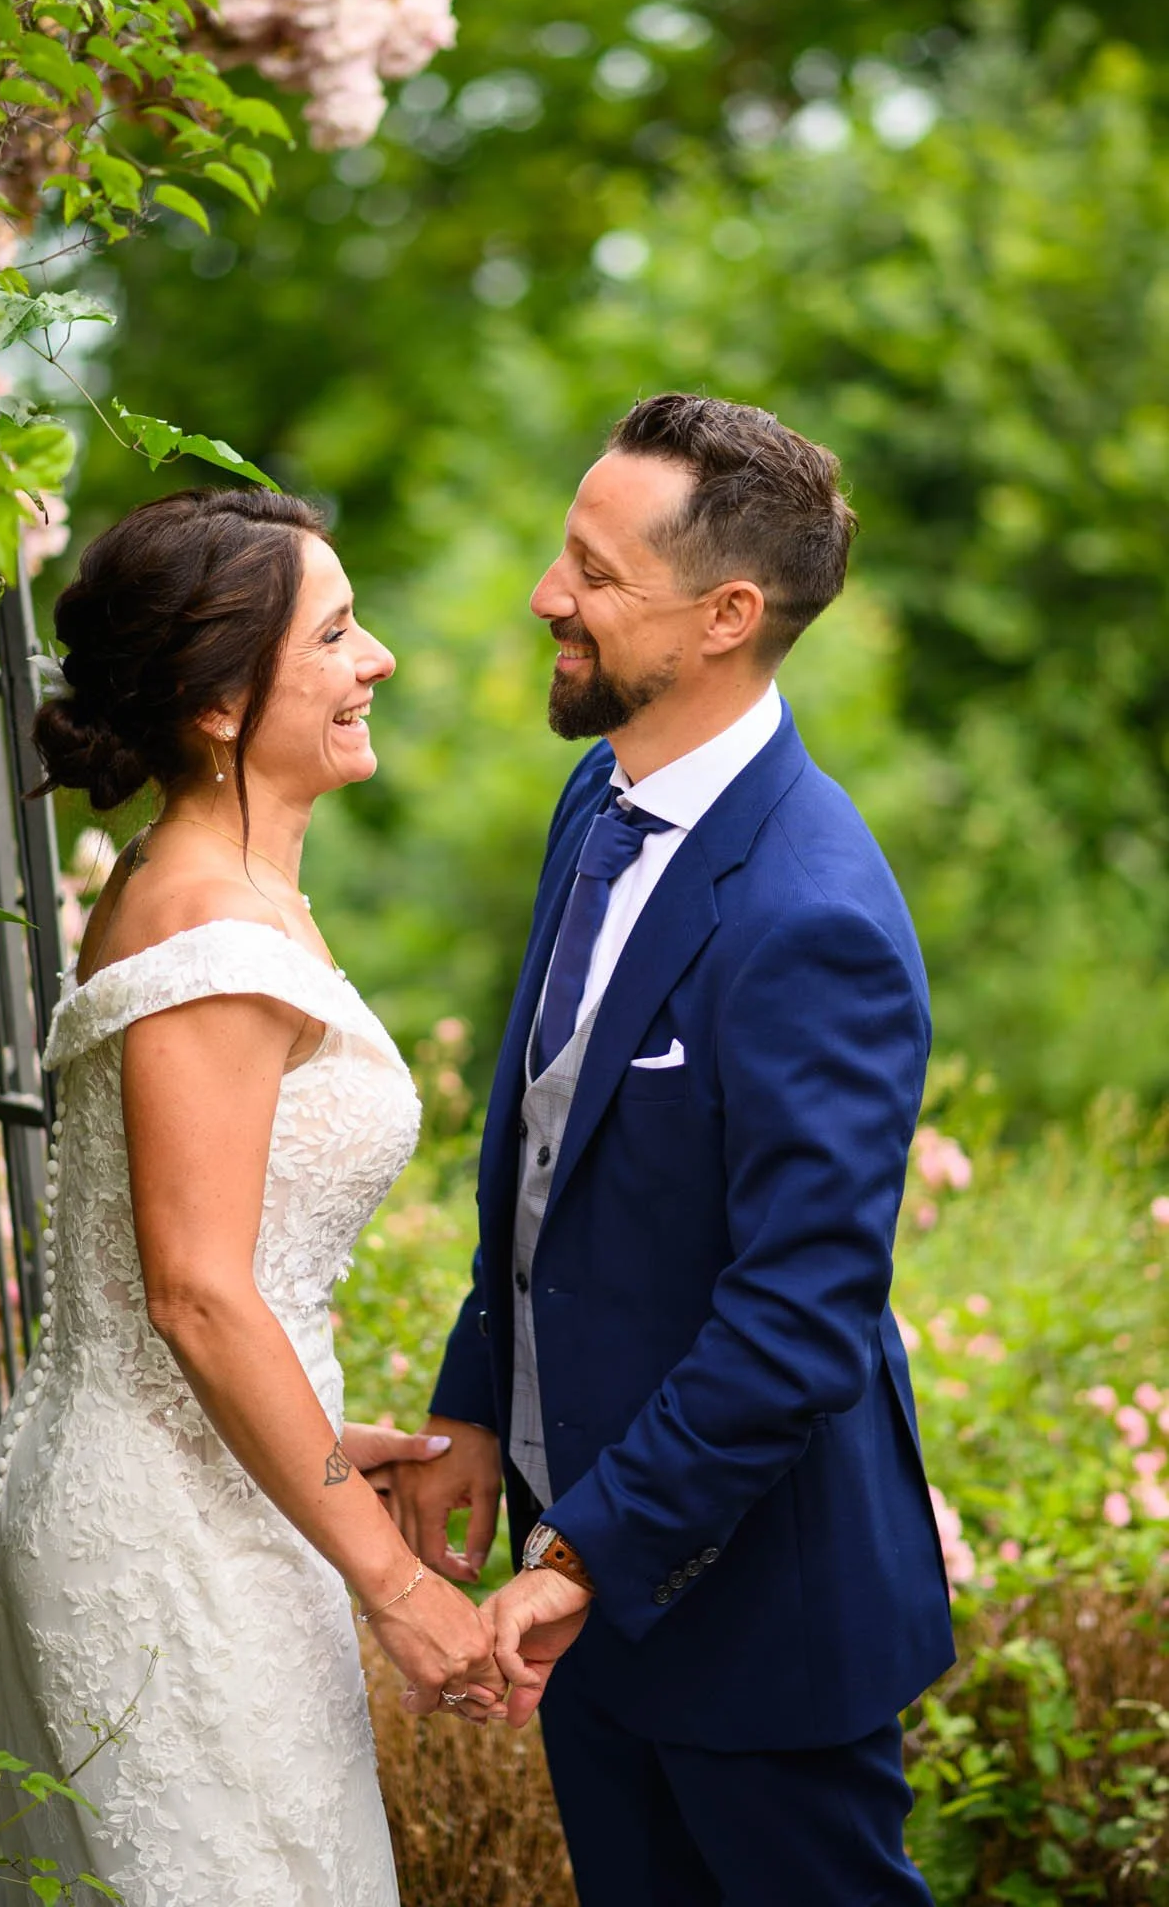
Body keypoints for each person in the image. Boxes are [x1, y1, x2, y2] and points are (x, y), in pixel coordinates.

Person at [402, 396, 956, 1905]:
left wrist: (581, 1556)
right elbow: (549, 1172)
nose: (545, 596)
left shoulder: (814, 914)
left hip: (753, 1618)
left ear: (726, 615)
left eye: (592, 571)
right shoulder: (600, 800)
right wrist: (475, 1405)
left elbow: (801, 1317)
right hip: (590, 1594)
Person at [0, 486, 503, 1907]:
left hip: (214, 1489)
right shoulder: (209, 925)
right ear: (217, 705)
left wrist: (317, 1437)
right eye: (335, 636)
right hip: (168, 1537)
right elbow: (198, 1293)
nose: (376, 657)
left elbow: (195, 1267)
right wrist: (399, 1593)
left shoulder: (198, 878)